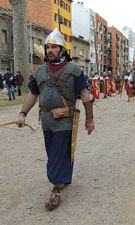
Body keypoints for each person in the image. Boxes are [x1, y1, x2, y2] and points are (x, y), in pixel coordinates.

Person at [17, 28, 95, 210]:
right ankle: (64, 178)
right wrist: (22, 114)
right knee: (54, 152)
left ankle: (55, 190)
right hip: (46, 120)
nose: (50, 50)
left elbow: (85, 95)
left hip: (66, 119)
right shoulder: (39, 72)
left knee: (58, 154)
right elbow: (32, 95)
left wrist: (89, 119)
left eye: (54, 47)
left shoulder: (74, 70)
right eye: (48, 47)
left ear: (62, 49)